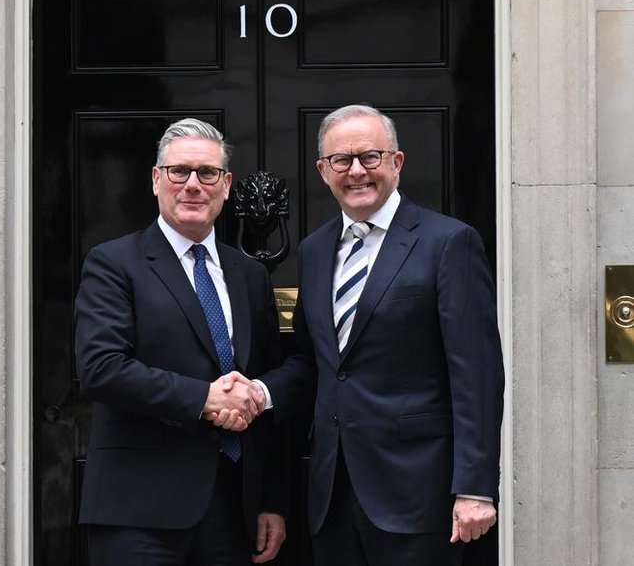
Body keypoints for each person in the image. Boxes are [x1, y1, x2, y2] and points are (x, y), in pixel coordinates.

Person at [217, 104, 505, 565]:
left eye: (370, 157)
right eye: (341, 161)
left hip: (418, 495)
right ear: (322, 171)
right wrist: (261, 392)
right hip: (333, 494)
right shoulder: (314, 250)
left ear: (397, 162)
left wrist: (474, 488)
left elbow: (478, 375)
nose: (356, 171)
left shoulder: (448, 243)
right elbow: (315, 363)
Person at [74, 118, 287, 566]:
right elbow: (100, 368)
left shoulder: (249, 276)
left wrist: (272, 498)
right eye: (179, 172)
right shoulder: (114, 263)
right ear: (156, 180)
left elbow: (271, 379)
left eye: (207, 173)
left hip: (233, 510)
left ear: (226, 185)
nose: (193, 185)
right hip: (138, 512)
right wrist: (204, 398)